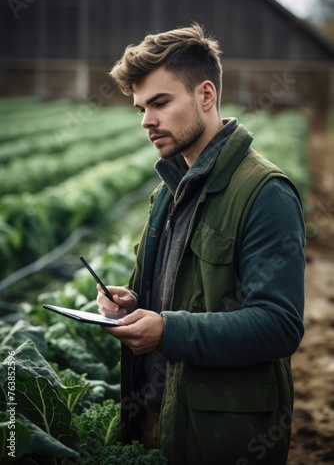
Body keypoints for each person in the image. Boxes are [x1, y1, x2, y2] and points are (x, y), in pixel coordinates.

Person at [96, 23, 305, 464]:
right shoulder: (167, 189)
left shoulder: (265, 192)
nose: (147, 121)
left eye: (160, 103)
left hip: (221, 435)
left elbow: (280, 325)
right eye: (140, 109)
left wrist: (169, 330)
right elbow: (181, 295)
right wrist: (133, 305)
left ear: (206, 95)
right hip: (156, 416)